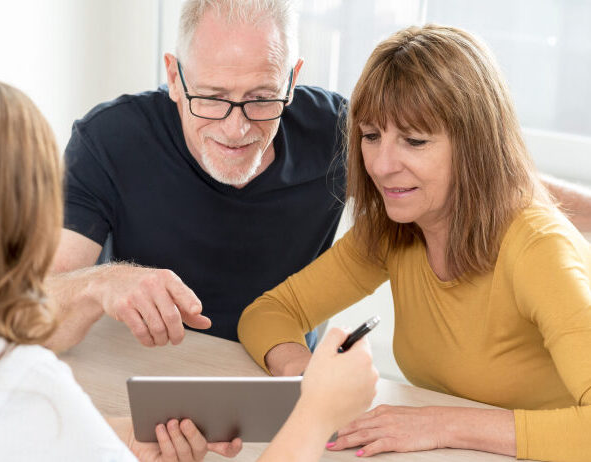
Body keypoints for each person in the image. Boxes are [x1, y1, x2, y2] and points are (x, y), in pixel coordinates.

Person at [0, 65, 381, 462]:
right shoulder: (13, 384)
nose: (235, 124)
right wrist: (318, 414)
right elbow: (21, 418)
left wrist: (118, 444)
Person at [48, 0, 591, 353]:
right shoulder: (110, 140)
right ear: (174, 75)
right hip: (133, 369)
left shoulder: (339, 131)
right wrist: (102, 280)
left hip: (272, 376)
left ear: (294, 78)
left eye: (262, 98)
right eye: (212, 99)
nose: (237, 128)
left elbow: (484, 175)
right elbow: (30, 316)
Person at [238, 24, 591, 461]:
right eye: (371, 136)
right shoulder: (394, 229)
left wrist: (443, 424)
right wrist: (308, 377)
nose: (382, 166)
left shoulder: (539, 249)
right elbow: (269, 313)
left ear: (475, 146)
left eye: (415, 140)